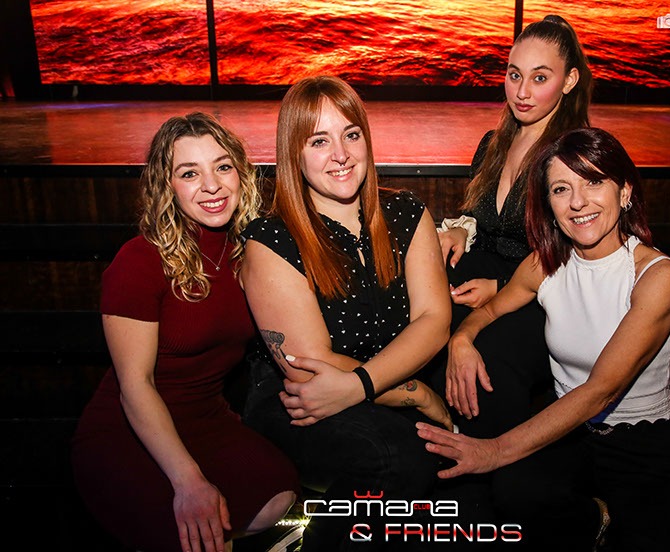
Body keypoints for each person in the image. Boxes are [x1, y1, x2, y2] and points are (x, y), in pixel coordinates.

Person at [418, 128, 670, 551]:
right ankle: (591, 519)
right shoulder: (545, 264)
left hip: (639, 441)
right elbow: (488, 311)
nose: (578, 202)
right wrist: (461, 341)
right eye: (561, 189)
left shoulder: (658, 277)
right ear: (548, 203)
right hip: (571, 432)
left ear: (624, 192)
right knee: (512, 494)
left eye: (593, 181)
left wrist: (494, 450)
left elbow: (601, 390)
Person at [240, 76, 452, 551]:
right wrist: (414, 394)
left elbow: (433, 321)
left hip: (368, 390)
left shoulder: (405, 214)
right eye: (319, 141)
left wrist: (368, 387)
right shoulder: (271, 239)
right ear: (294, 154)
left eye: (351, 134)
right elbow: (310, 365)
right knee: (396, 458)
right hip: (299, 403)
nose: (340, 154)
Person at [71, 113, 299, 552]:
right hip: (130, 428)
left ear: (241, 173)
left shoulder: (249, 253)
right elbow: (135, 386)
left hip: (205, 419)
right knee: (203, 535)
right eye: (190, 173)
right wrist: (188, 481)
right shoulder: (139, 261)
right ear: (167, 186)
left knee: (279, 493)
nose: (212, 185)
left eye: (222, 166)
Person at [437, 15, 593, 439]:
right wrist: (461, 229)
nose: (522, 92)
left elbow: (579, 252)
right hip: (483, 274)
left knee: (488, 359)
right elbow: (484, 216)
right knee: (421, 316)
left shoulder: (573, 156)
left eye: (540, 78)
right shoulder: (493, 143)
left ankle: (492, 460)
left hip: (543, 293)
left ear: (569, 80)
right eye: (514, 75)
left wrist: (502, 286)